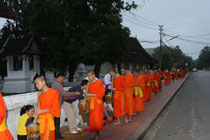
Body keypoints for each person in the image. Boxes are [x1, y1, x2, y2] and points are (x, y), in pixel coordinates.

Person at [51, 73, 80, 139]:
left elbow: (63, 92)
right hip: (55, 105)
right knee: (56, 121)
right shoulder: (57, 84)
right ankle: (55, 135)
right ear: (60, 77)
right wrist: (75, 93)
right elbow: (64, 93)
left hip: (56, 105)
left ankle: (57, 135)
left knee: (57, 121)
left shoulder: (56, 84)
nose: (63, 80)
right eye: (63, 78)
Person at [34, 75, 60, 140]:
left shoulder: (53, 92)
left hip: (48, 120)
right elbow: (39, 107)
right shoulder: (40, 94)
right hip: (41, 120)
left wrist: (42, 111)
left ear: (43, 82)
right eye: (35, 84)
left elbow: (56, 109)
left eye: (37, 83)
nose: (36, 85)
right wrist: (36, 114)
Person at [85, 70, 105, 140]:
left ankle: (98, 134)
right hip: (92, 103)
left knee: (97, 119)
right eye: (88, 76)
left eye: (90, 76)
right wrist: (87, 97)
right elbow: (89, 94)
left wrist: (90, 94)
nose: (89, 77)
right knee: (93, 119)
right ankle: (96, 134)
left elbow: (101, 94)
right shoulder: (89, 84)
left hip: (98, 103)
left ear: (94, 75)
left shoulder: (99, 83)